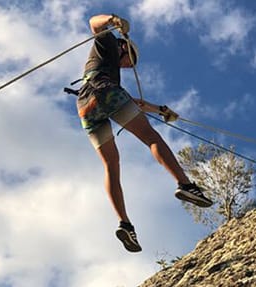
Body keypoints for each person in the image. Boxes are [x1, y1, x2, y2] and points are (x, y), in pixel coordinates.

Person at [77, 14, 212, 253]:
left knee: (111, 165)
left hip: (86, 105)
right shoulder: (107, 43)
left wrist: (161, 110)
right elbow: (94, 23)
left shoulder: (105, 66)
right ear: (123, 47)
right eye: (131, 59)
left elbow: (131, 102)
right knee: (151, 138)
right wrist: (113, 19)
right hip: (105, 91)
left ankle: (125, 224)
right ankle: (185, 184)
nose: (129, 66)